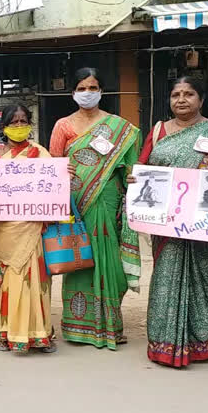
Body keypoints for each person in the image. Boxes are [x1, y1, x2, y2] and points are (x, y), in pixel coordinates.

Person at [135, 77, 208, 368]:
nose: (181, 99)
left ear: (201, 98)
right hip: (167, 224)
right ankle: (165, 343)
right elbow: (143, 167)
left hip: (205, 225)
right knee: (166, 279)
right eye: (175, 94)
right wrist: (136, 180)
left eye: (189, 94)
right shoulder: (159, 131)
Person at [48, 67, 141, 350]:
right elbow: (51, 168)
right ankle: (78, 327)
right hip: (76, 204)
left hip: (109, 200)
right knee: (78, 258)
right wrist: (64, 168)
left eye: (93, 87)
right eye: (82, 88)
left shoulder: (120, 128)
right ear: (73, 92)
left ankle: (111, 325)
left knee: (110, 262)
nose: (87, 93)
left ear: (102, 91)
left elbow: (132, 168)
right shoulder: (63, 126)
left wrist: (132, 178)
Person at [0, 104, 55, 353]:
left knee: (35, 282)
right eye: (13, 122)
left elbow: (53, 186)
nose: (18, 126)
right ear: (4, 127)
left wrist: (63, 174)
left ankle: (41, 332)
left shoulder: (40, 154)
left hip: (33, 229)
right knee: (8, 282)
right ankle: (5, 333)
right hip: (6, 231)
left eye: (23, 121)